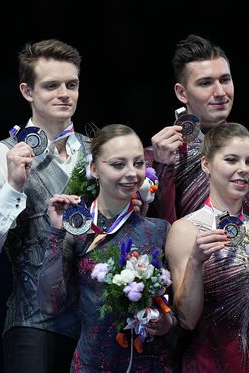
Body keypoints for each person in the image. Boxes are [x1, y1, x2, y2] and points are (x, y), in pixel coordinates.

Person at [0, 39, 88, 372]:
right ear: (27, 91)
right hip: (34, 329)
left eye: (71, 84)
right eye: (51, 86)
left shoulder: (99, 154)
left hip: (97, 331)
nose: (64, 93)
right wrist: (13, 185)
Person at [38, 124, 175, 372]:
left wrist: (167, 320)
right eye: (118, 164)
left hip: (151, 364)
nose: (132, 173)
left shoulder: (159, 230)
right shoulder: (77, 231)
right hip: (92, 364)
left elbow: (174, 307)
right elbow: (50, 305)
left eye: (138, 163)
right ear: (94, 169)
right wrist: (57, 232)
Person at [165, 122, 249, 372]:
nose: (243, 170)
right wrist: (195, 261)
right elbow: (187, 320)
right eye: (231, 160)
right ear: (206, 164)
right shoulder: (186, 230)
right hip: (207, 364)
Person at [145, 34, 249, 223]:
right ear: (182, 93)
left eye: (225, 80)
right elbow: (157, 234)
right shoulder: (152, 158)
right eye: (206, 83)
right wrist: (162, 167)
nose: (220, 93)